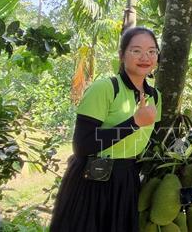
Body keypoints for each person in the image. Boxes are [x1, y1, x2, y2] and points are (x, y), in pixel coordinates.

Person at [50, 27, 161, 232]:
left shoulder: (155, 97)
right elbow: (82, 144)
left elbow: (146, 140)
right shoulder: (105, 88)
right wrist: (133, 123)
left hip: (126, 179)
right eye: (136, 50)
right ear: (121, 55)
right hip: (92, 179)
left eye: (152, 51)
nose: (145, 57)